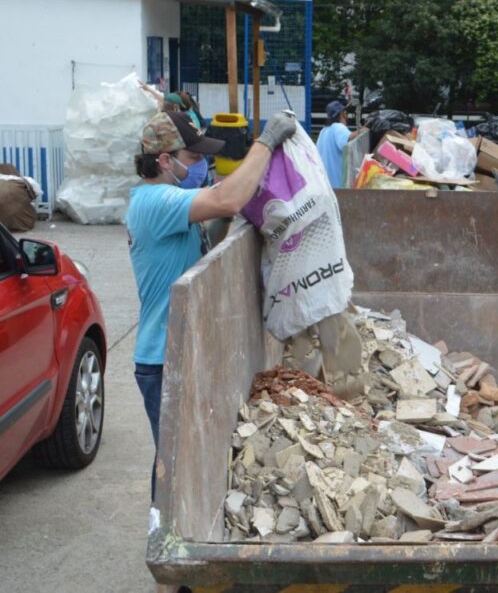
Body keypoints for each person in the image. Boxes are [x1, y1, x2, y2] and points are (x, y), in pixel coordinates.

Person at [126, 110, 295, 498]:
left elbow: (215, 225)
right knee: (174, 466)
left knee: (183, 459)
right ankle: (166, 548)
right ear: (164, 161)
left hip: (178, 351)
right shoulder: (156, 201)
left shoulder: (171, 200)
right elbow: (226, 199)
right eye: (193, 157)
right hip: (163, 358)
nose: (201, 164)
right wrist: (265, 144)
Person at [316, 100, 351, 189]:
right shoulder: (339, 127)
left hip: (325, 186)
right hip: (338, 187)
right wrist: (363, 131)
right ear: (342, 114)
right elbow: (349, 139)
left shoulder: (323, 131)